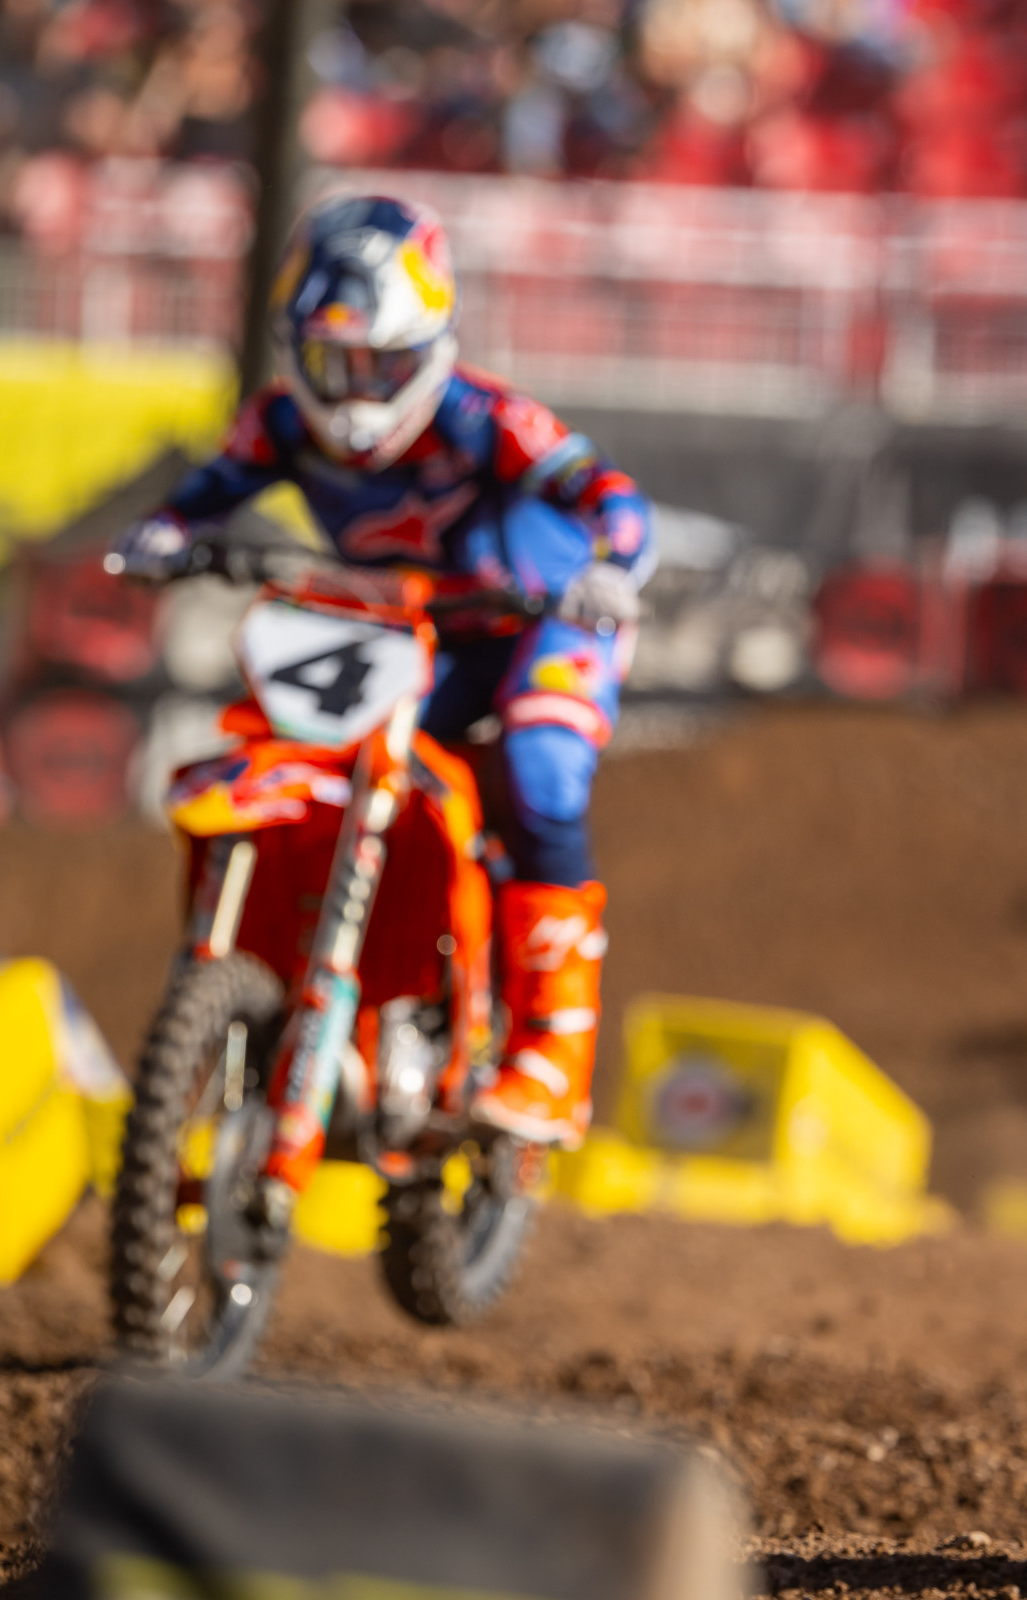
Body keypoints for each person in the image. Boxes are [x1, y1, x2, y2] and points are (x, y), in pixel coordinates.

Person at [111, 193, 654, 1151]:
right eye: (335, 364)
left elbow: (607, 492)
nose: (358, 396)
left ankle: (550, 1059)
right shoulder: (279, 422)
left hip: (545, 622)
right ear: (294, 351)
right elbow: (198, 498)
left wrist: (610, 567)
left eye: (385, 365)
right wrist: (163, 537)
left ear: (434, 349)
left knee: (540, 768)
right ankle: (332, 988)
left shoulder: (486, 418)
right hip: (414, 632)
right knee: (313, 746)